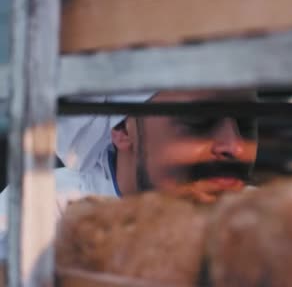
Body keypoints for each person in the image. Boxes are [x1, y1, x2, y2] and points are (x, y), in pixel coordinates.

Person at [0, 88, 259, 258]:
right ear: (123, 130)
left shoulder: (267, 221)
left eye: (246, 123)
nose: (235, 146)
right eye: (199, 120)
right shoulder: (40, 211)